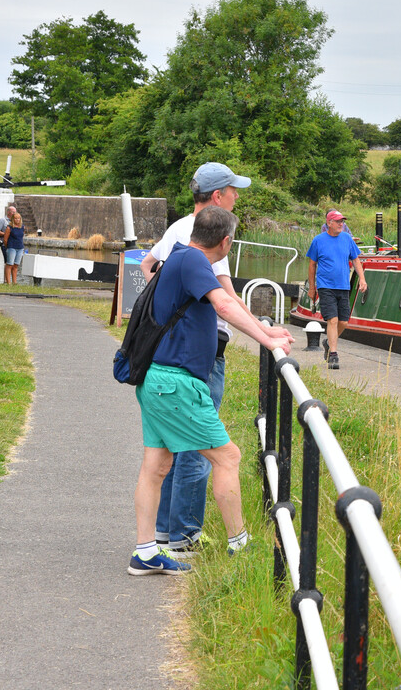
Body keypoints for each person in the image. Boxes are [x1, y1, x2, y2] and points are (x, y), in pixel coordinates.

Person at [129, 206, 295, 576]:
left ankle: (144, 552)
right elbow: (223, 303)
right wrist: (268, 342)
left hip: (159, 380)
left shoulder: (180, 256)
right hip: (176, 384)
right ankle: (241, 545)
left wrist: (267, 332)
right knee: (227, 457)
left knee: (156, 465)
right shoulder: (195, 262)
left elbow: (226, 302)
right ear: (226, 241)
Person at [307, 210, 367, 370]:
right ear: (329, 223)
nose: (342, 224)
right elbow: (312, 265)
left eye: (342, 221)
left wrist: (362, 278)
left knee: (344, 322)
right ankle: (333, 354)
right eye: (338, 221)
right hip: (325, 286)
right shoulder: (318, 241)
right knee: (332, 320)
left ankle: (328, 342)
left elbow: (356, 259)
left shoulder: (347, 239)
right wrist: (312, 288)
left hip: (343, 286)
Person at [3, 210, 25, 283]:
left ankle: (14, 282)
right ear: (13, 219)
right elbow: (5, 239)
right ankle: (8, 282)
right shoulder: (9, 228)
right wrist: (8, 247)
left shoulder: (22, 227)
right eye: (15, 218)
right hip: (11, 247)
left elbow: (22, 237)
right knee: (9, 264)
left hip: (20, 248)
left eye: (18, 218)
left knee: (16, 265)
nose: (17, 220)